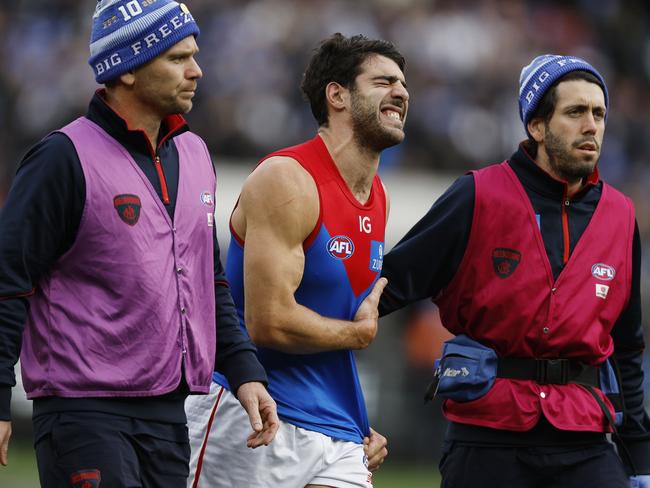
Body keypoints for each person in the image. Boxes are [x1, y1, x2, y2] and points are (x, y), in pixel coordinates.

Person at [0, 1, 278, 485]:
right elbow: (8, 282)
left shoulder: (195, 152)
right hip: (83, 414)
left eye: (194, 55)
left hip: (170, 416)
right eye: (177, 58)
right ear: (125, 69)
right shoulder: (61, 158)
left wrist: (245, 371)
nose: (197, 71)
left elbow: (207, 280)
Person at [379, 54, 650, 487]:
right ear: (537, 126)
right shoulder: (476, 195)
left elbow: (628, 346)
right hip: (487, 434)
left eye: (599, 113)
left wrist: (639, 458)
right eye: (575, 112)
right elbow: (386, 288)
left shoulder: (620, 215)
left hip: (584, 435)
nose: (592, 126)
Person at [184, 33, 409, 487]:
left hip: (337, 433)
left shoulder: (377, 195)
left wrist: (355, 419)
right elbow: (267, 321)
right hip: (253, 413)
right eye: (383, 82)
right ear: (337, 95)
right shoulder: (287, 178)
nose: (401, 93)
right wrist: (358, 334)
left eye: (403, 84)